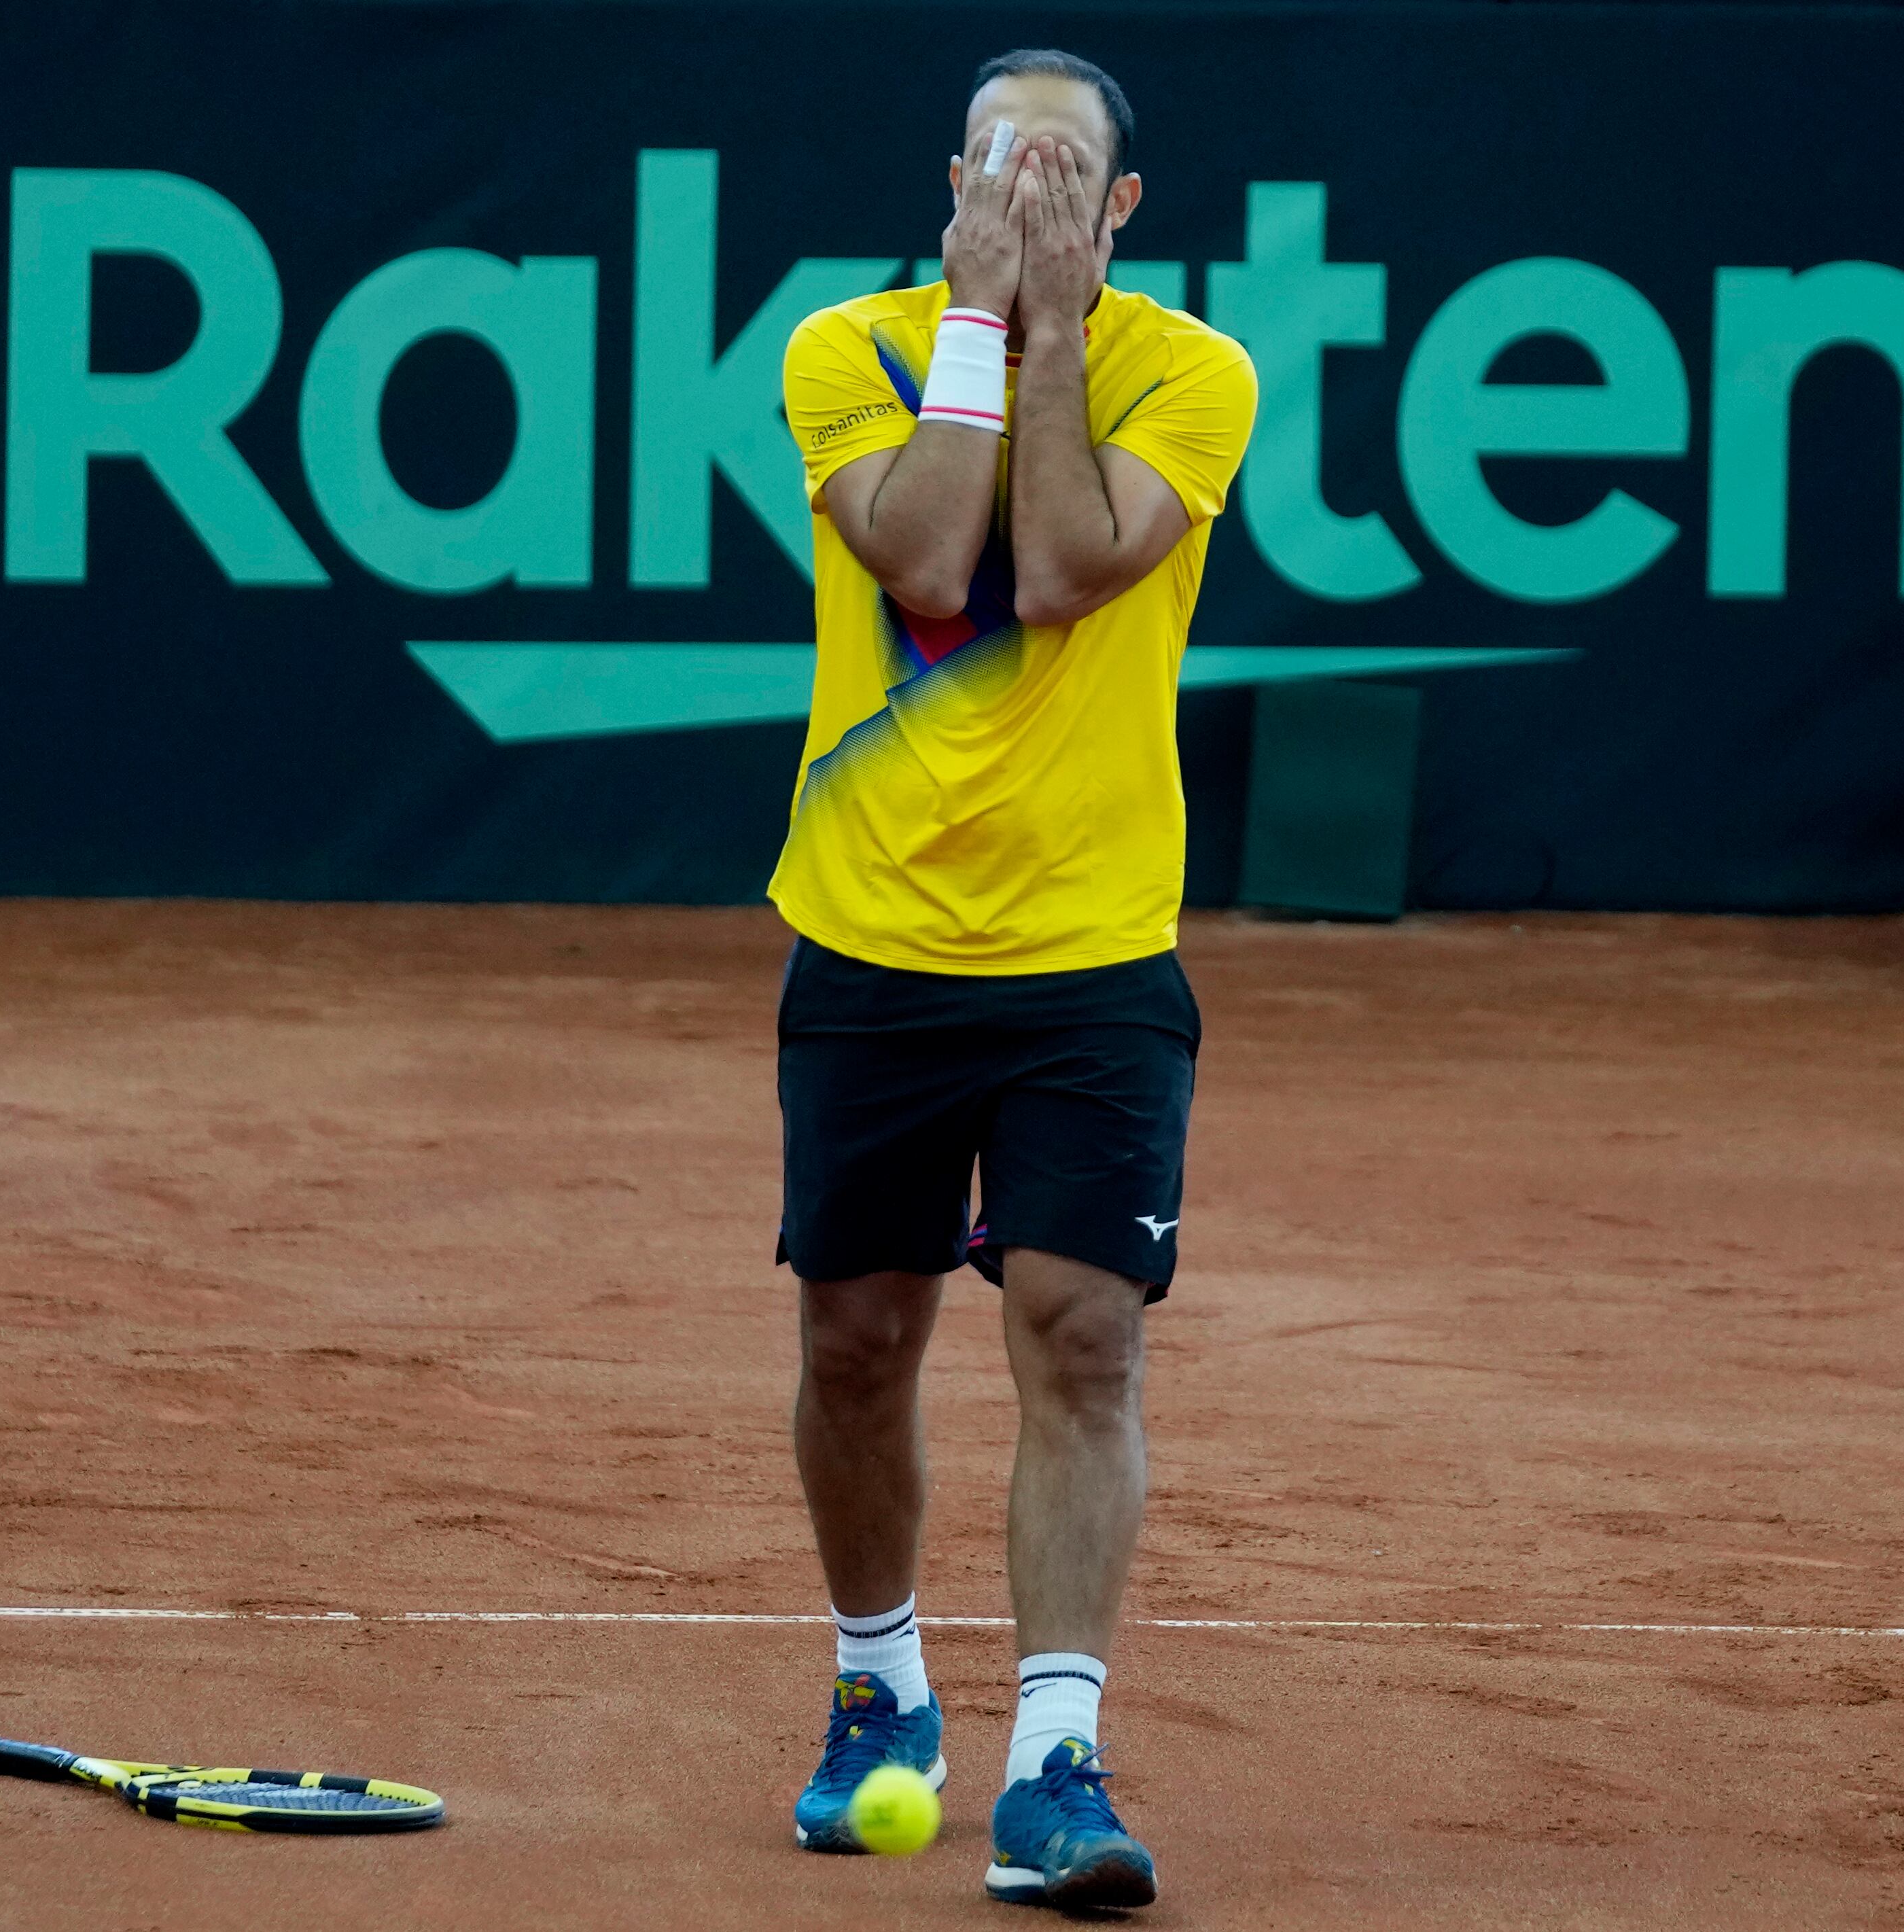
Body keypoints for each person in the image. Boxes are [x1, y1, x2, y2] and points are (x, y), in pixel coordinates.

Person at [771, 47, 1258, 1913]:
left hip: (1092, 951)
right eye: (1004, 162)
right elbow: (917, 553)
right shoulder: (840, 347)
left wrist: (1048, 329)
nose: (1036, 186)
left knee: (1078, 1326)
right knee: (855, 1339)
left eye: (1070, 170)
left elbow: (1054, 568)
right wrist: (980, 316)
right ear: (950, 183)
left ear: (1123, 209)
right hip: (872, 932)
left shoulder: (1190, 370)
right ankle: (877, 1694)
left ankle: (1054, 1759)